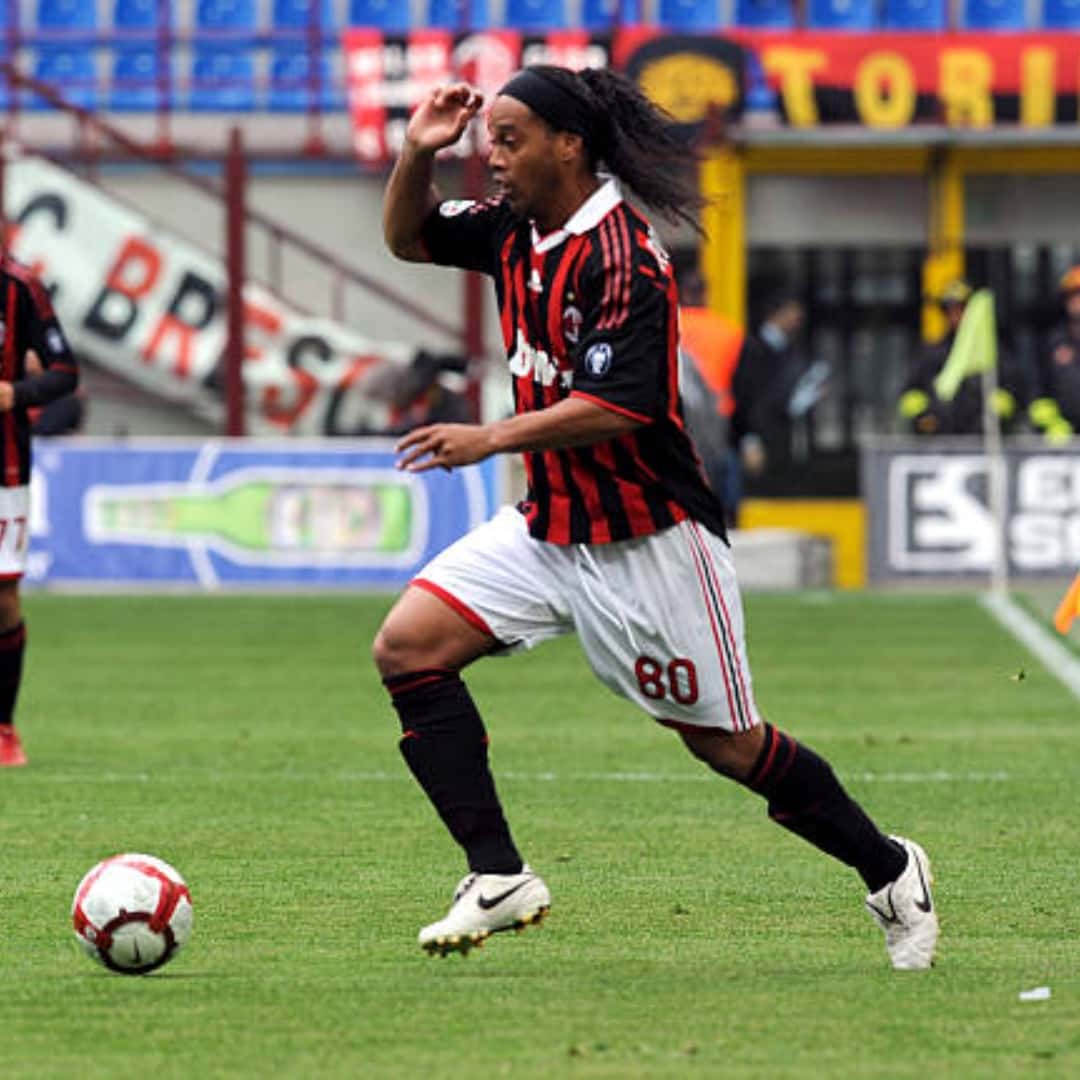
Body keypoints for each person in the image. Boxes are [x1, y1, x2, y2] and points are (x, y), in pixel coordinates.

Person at [375, 64, 938, 969]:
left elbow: (622, 404)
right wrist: (416, 151)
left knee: (727, 746)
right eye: (490, 142)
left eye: (510, 140)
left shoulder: (628, 257)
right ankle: (498, 873)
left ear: (570, 145)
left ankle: (890, 870)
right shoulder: (514, 230)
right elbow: (408, 238)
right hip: (550, 525)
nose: (495, 160)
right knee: (407, 648)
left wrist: (492, 436)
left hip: (650, 539)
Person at [0, 254, 79, 767]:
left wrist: (16, 392)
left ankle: (3, 729)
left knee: (3, 598)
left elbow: (64, 372)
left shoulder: (19, 288)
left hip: (3, 468)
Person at [898, 279, 1026, 436]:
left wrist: (994, 417)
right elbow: (911, 394)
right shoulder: (930, 352)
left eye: (961, 309)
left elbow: (1012, 391)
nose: (955, 315)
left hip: (981, 441)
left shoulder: (992, 352)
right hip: (938, 440)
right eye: (949, 310)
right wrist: (923, 417)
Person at [1029, 265, 1080, 443]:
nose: (1077, 300)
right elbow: (1038, 390)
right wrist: (1051, 423)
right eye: (1072, 295)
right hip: (1061, 442)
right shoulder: (1052, 341)